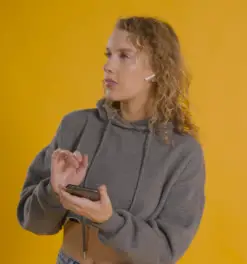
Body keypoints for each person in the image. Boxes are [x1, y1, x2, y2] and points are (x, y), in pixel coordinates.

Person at [16, 16, 206, 264]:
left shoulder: (182, 152)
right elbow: (33, 221)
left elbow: (165, 251)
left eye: (124, 56)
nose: (108, 66)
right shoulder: (76, 126)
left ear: (156, 68)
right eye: (108, 54)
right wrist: (54, 190)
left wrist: (109, 221)